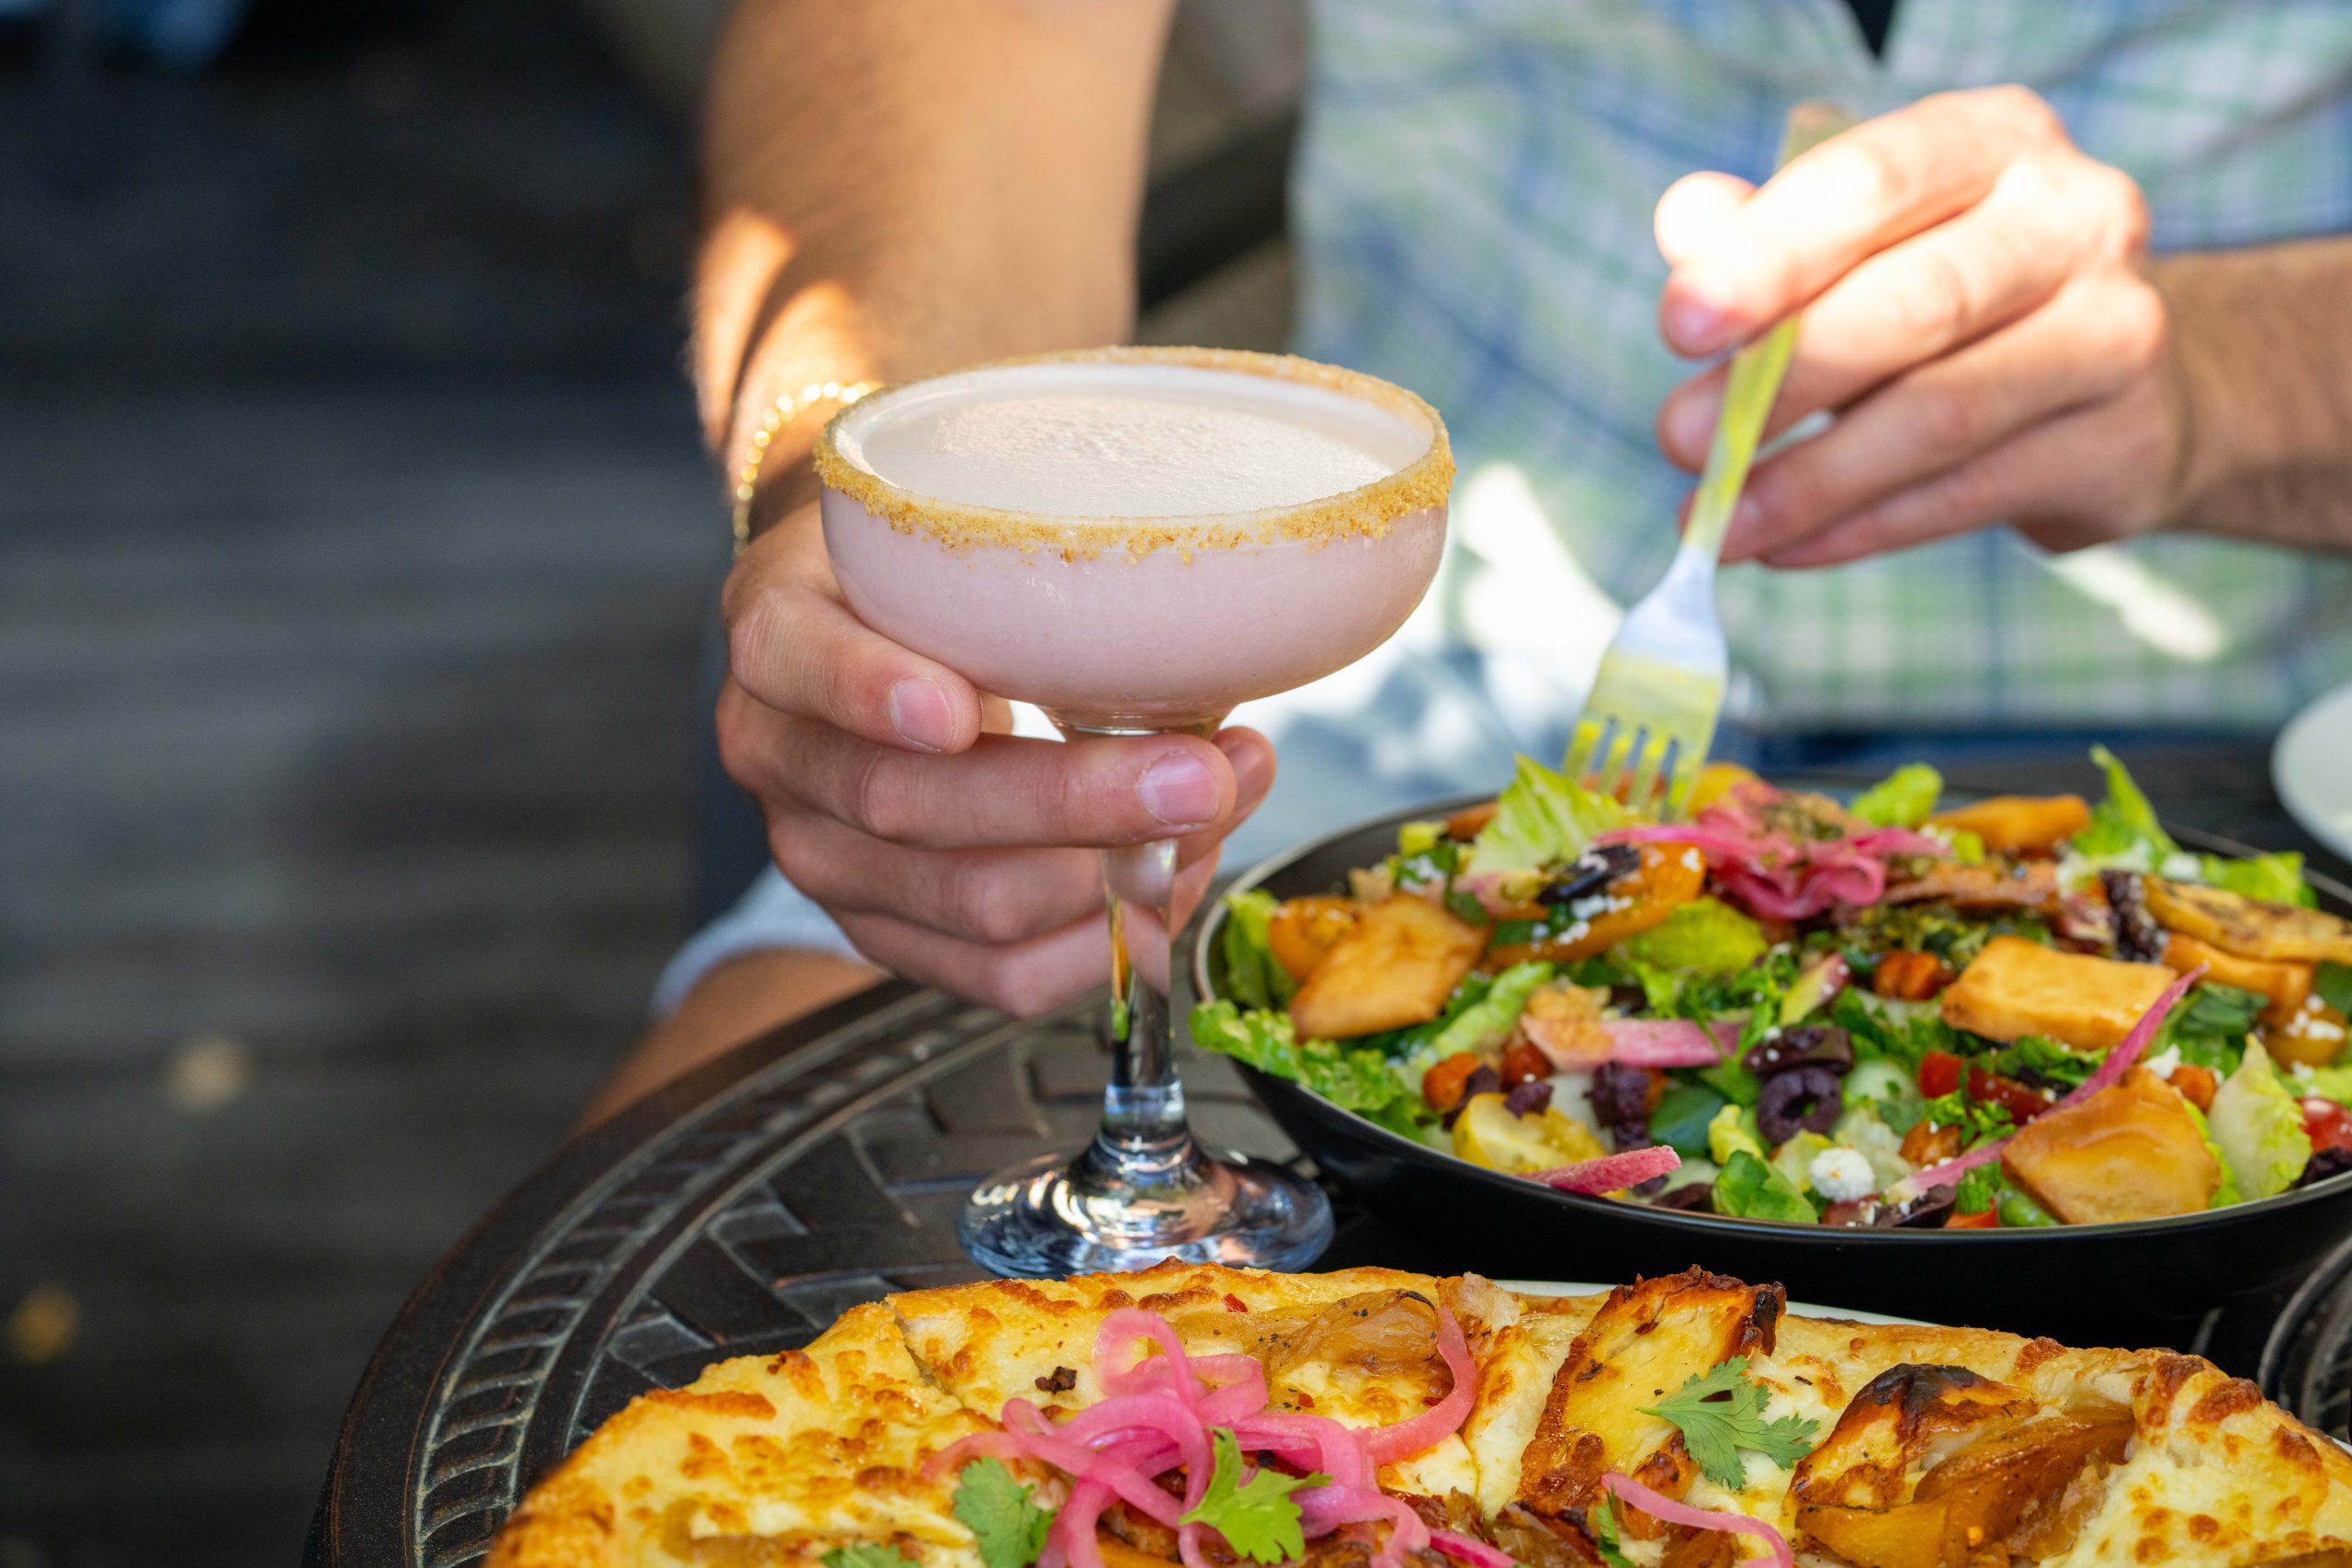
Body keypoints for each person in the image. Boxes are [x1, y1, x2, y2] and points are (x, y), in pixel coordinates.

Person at [584, 0, 2352, 1122]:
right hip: (1346, 712)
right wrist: (872, 480)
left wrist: (2221, 378)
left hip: (2274, 767)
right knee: (694, 1140)